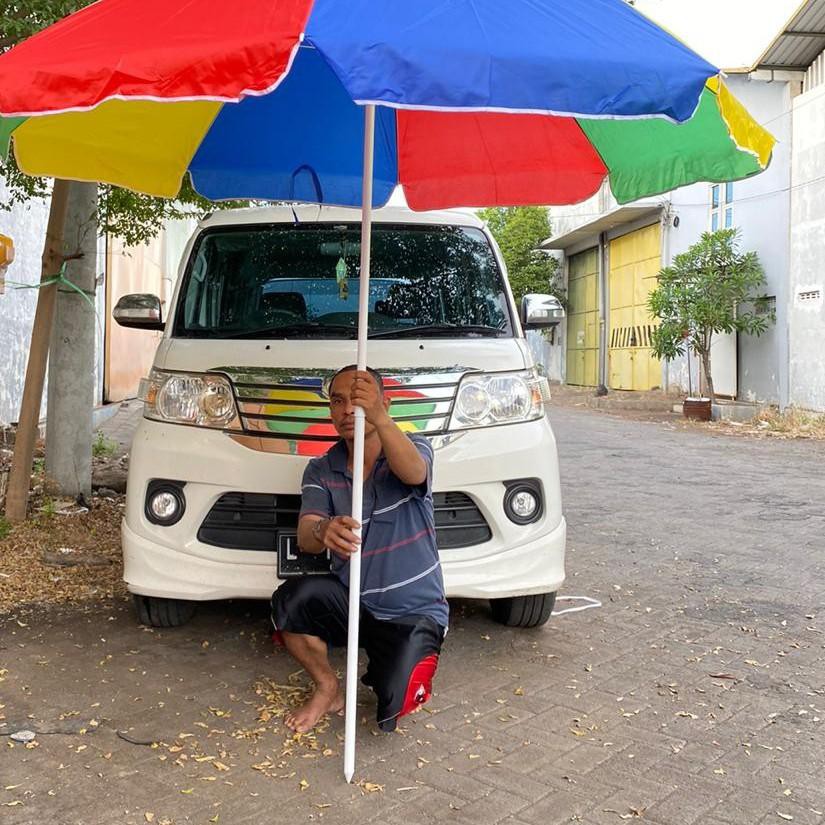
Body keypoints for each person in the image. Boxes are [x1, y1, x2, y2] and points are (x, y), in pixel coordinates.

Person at [271, 365, 448, 734]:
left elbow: (414, 473)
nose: (348, 409)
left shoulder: (413, 447)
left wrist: (380, 420)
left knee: (393, 706)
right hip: (353, 605)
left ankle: (393, 667)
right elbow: (305, 535)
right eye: (338, 401)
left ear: (384, 404)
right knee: (291, 600)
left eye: (360, 400)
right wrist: (323, 529)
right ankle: (328, 688)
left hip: (412, 612)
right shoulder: (322, 469)